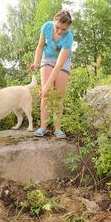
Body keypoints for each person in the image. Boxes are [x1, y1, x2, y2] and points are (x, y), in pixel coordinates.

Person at [29, 10, 73, 139]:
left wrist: (47, 85)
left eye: (63, 29)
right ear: (53, 22)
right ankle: (43, 127)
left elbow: (59, 65)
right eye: (57, 27)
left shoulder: (68, 37)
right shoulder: (47, 27)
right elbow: (40, 46)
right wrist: (36, 62)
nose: (59, 31)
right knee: (46, 94)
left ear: (68, 28)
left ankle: (57, 129)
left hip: (62, 62)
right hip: (47, 58)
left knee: (58, 95)